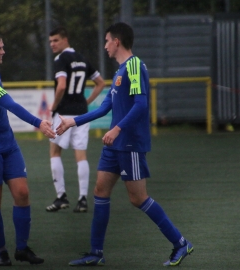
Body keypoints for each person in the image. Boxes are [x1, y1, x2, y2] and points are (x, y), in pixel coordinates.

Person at [56, 22, 194, 267]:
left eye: (107, 40)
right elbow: (104, 108)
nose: (105, 45)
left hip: (129, 143)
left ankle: (181, 243)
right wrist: (72, 121)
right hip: (114, 146)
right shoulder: (120, 71)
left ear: (117, 41)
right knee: (100, 191)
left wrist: (117, 128)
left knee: (138, 198)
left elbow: (141, 105)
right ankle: (96, 252)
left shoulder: (134, 66)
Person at [0, 30, 55, 266]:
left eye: (3, 47)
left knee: (23, 193)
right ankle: (1, 251)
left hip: (7, 143)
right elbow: (8, 103)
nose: (3, 51)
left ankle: (22, 249)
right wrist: (38, 122)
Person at [46, 27, 105, 213]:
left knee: (55, 152)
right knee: (81, 155)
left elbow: (61, 86)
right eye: (50, 41)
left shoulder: (61, 59)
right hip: (81, 113)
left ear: (65, 40)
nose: (52, 44)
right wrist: (86, 102)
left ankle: (61, 196)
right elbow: (101, 83)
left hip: (64, 112)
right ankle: (83, 199)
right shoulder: (82, 58)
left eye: (55, 40)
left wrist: (54, 106)